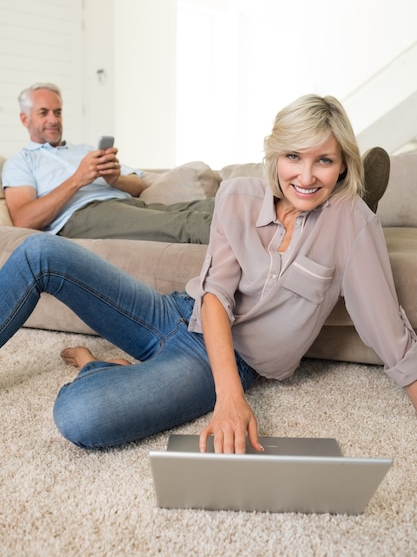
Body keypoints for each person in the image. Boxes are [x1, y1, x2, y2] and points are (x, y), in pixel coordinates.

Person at [1, 94, 410, 454]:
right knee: (40, 251)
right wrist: (229, 399)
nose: (305, 176)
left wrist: (229, 386)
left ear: (342, 166)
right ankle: (132, 372)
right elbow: (215, 293)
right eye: (293, 157)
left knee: (80, 415)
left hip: (224, 358)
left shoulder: (352, 222)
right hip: (177, 311)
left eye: (323, 160)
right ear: (275, 156)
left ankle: (98, 367)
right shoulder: (238, 197)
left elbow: (391, 336)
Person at [2, 83, 214, 243]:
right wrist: (78, 179)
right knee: (189, 225)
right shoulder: (20, 162)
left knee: (216, 207)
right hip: (84, 215)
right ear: (25, 119)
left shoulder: (85, 149)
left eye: (57, 112)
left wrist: (115, 179)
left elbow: (140, 184)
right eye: (43, 113)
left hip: (131, 205)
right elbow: (23, 220)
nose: (54, 120)